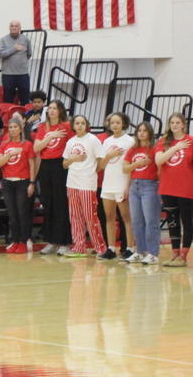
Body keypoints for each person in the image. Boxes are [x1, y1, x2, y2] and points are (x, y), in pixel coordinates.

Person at [61, 115, 106, 258]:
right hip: (72, 183)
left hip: (87, 183)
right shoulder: (70, 142)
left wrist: (92, 172)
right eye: (77, 123)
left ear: (87, 125)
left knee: (90, 216)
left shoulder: (93, 140)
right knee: (75, 216)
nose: (80, 125)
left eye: (82, 123)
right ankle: (79, 246)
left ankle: (100, 248)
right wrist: (73, 159)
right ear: (73, 126)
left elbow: (101, 161)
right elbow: (64, 164)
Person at [35, 100, 74, 255]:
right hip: (45, 166)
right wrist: (51, 137)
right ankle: (51, 241)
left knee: (61, 204)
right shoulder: (42, 127)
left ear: (60, 110)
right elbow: (37, 147)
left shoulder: (67, 126)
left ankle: (64, 242)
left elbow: (72, 145)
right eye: (49, 108)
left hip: (61, 165)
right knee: (48, 203)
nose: (51, 111)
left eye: (54, 108)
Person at [155, 112, 193, 268]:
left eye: (178, 122)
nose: (175, 125)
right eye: (172, 123)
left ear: (183, 124)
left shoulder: (190, 141)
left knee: (186, 221)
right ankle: (175, 253)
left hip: (186, 188)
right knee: (172, 221)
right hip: (168, 187)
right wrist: (176, 148)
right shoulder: (164, 142)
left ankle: (183, 256)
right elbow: (159, 160)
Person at [97, 112, 135, 260]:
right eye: (112, 122)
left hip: (122, 182)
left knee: (126, 217)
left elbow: (131, 165)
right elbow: (101, 165)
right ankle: (111, 249)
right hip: (108, 183)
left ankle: (130, 248)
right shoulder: (106, 142)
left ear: (123, 124)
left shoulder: (129, 141)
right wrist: (108, 155)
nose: (114, 125)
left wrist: (128, 186)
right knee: (109, 217)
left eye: (117, 122)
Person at [122, 121, 161, 265]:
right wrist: (138, 164)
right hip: (134, 186)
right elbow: (125, 169)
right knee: (136, 221)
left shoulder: (154, 149)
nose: (142, 133)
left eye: (145, 130)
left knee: (151, 220)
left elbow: (160, 168)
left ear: (150, 133)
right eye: (139, 130)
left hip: (149, 185)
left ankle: (153, 253)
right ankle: (140, 250)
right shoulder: (133, 149)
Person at [0, 118, 37, 254]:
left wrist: (32, 183)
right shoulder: (4, 145)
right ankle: (14, 241)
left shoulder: (27, 145)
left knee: (22, 213)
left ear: (20, 129)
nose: (13, 129)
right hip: (8, 182)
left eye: (15, 127)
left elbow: (32, 165)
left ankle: (23, 241)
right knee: (12, 214)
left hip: (23, 182)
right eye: (11, 127)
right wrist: (9, 154)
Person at [0, 20, 32, 105]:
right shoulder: (4, 39)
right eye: (12, 26)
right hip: (8, 74)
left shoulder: (25, 39)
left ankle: (25, 116)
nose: (14, 27)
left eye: (16, 26)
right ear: (9, 28)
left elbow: (29, 54)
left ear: (20, 28)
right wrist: (14, 49)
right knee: (8, 98)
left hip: (22, 74)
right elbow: (0, 54)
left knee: (25, 99)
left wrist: (20, 62)